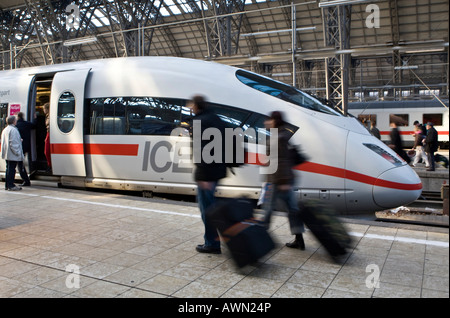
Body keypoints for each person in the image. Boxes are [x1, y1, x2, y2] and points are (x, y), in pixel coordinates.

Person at [188, 95, 227, 254]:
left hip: (207, 173)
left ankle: (212, 243)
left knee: (207, 210)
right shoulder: (216, 118)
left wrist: (203, 175)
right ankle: (217, 239)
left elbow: (201, 150)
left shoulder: (200, 122)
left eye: (191, 105)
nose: (190, 107)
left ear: (197, 106)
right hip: (218, 170)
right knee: (211, 207)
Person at [262, 111, 305, 250]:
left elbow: (281, 161)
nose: (266, 123)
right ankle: (299, 239)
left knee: (268, 209)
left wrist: (283, 181)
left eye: (268, 120)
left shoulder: (277, 138)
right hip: (285, 179)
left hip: (277, 180)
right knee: (292, 210)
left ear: (274, 121)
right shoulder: (285, 135)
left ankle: (259, 238)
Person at [1, 115, 30, 191]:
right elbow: (13, 143)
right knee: (12, 170)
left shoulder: (5, 129)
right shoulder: (13, 130)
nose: (16, 121)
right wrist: (17, 152)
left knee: (9, 169)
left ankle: (7, 185)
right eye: (15, 120)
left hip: (7, 153)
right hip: (12, 154)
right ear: (13, 121)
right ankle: (11, 185)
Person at [16, 112, 36, 182]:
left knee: (18, 165)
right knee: (20, 164)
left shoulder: (16, 126)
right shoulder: (26, 124)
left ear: (18, 117)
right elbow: (34, 125)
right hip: (26, 146)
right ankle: (26, 179)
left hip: (18, 147)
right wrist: (35, 118)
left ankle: (26, 180)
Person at [43, 103, 52, 172]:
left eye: (44, 109)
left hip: (50, 133)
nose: (43, 110)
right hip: (48, 133)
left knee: (47, 151)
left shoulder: (51, 116)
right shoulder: (47, 116)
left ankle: (50, 165)